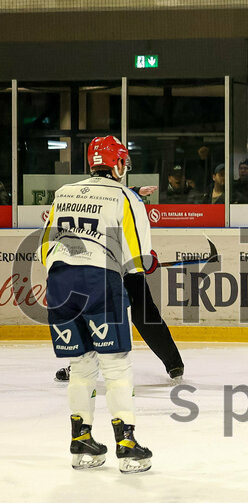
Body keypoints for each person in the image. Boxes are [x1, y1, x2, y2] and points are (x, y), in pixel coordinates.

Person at [40, 135, 155, 474]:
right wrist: (143, 262)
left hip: (59, 284)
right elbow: (138, 259)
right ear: (118, 163)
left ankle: (81, 441)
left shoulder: (63, 193)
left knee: (81, 366)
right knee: (116, 366)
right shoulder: (125, 196)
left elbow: (46, 248)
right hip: (98, 283)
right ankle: (127, 444)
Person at [55, 269, 185, 384]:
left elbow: (140, 247)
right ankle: (81, 367)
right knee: (95, 321)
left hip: (131, 276)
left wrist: (144, 257)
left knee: (146, 318)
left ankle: (174, 364)